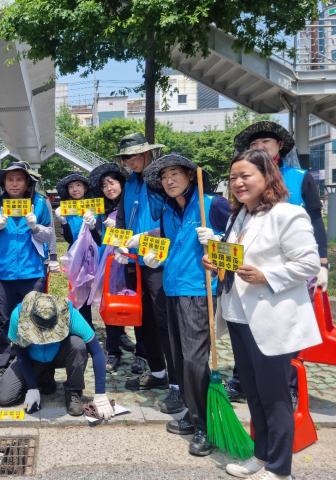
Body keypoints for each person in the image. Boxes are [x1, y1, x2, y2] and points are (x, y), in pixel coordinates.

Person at [202, 150, 321, 480]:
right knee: (253, 392)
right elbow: (233, 258)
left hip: (272, 318)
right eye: (233, 178)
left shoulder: (288, 214)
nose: (238, 183)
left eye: (245, 176)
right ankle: (261, 456)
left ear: (267, 177)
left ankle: (281, 469)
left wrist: (267, 275)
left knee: (275, 396)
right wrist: (214, 263)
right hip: (238, 316)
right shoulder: (237, 217)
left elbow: (308, 264)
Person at [227, 122, 328, 406]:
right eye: (254, 145)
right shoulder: (241, 195)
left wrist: (322, 261)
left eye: (266, 143)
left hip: (286, 268)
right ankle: (242, 380)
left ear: (280, 146)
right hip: (247, 280)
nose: (260, 148)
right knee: (247, 334)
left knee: (283, 332)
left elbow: (315, 218)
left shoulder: (299, 177)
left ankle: (288, 384)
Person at [141, 154, 230, 456]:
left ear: (191, 176)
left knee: (193, 359)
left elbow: (240, 248)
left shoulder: (213, 205)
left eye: (175, 173)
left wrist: (218, 240)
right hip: (172, 289)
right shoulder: (167, 210)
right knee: (179, 358)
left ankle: (206, 426)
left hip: (199, 291)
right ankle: (194, 417)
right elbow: (170, 246)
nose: (169, 181)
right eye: (164, 176)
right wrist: (156, 256)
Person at [110, 133, 184, 414]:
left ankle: (177, 384)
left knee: (165, 321)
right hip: (133, 259)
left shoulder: (161, 181)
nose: (131, 161)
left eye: (135, 156)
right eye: (126, 157)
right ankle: (156, 371)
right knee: (142, 319)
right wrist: (118, 244)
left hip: (160, 260)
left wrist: (148, 237)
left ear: (148, 154)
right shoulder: (129, 183)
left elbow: (173, 219)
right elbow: (121, 217)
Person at [0, 162, 53, 388]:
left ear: (27, 182)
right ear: (4, 182)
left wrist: (36, 227)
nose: (14, 183)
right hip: (4, 273)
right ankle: (3, 365)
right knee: (3, 321)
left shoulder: (40, 203)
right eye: (10, 179)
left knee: (34, 319)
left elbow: (49, 235)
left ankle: (37, 365)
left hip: (33, 272)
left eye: (19, 179)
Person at [0, 292, 114, 418]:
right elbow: (22, 355)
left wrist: (100, 394)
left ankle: (73, 391)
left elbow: (97, 352)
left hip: (59, 355)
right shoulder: (18, 315)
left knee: (78, 344)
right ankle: (44, 376)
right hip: (33, 359)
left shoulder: (70, 314)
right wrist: (32, 388)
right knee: (3, 397)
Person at [83, 162, 141, 373]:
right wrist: (92, 226)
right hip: (111, 264)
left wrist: (121, 230)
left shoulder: (134, 206)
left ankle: (141, 353)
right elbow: (100, 240)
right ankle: (113, 352)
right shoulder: (102, 210)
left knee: (136, 305)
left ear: (121, 183)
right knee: (112, 306)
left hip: (133, 262)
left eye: (113, 183)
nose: (109, 188)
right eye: (105, 185)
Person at [54, 172, 95, 328]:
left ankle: (118, 334)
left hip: (95, 255)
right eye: (71, 187)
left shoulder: (95, 206)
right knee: (80, 294)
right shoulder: (68, 209)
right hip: (77, 257)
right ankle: (84, 327)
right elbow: (70, 239)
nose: (75, 189)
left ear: (85, 187)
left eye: (78, 185)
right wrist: (63, 222)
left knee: (103, 291)